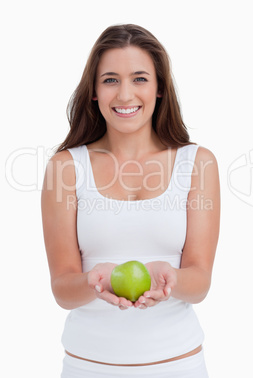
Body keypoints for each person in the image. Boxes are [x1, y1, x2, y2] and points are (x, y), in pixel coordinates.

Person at [41, 24, 220, 378]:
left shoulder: (198, 164)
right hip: (88, 368)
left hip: (179, 365)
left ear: (159, 89)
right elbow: (63, 288)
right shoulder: (65, 168)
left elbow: (199, 280)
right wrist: (94, 280)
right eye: (110, 80)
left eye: (139, 79)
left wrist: (171, 280)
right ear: (93, 91)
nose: (125, 95)